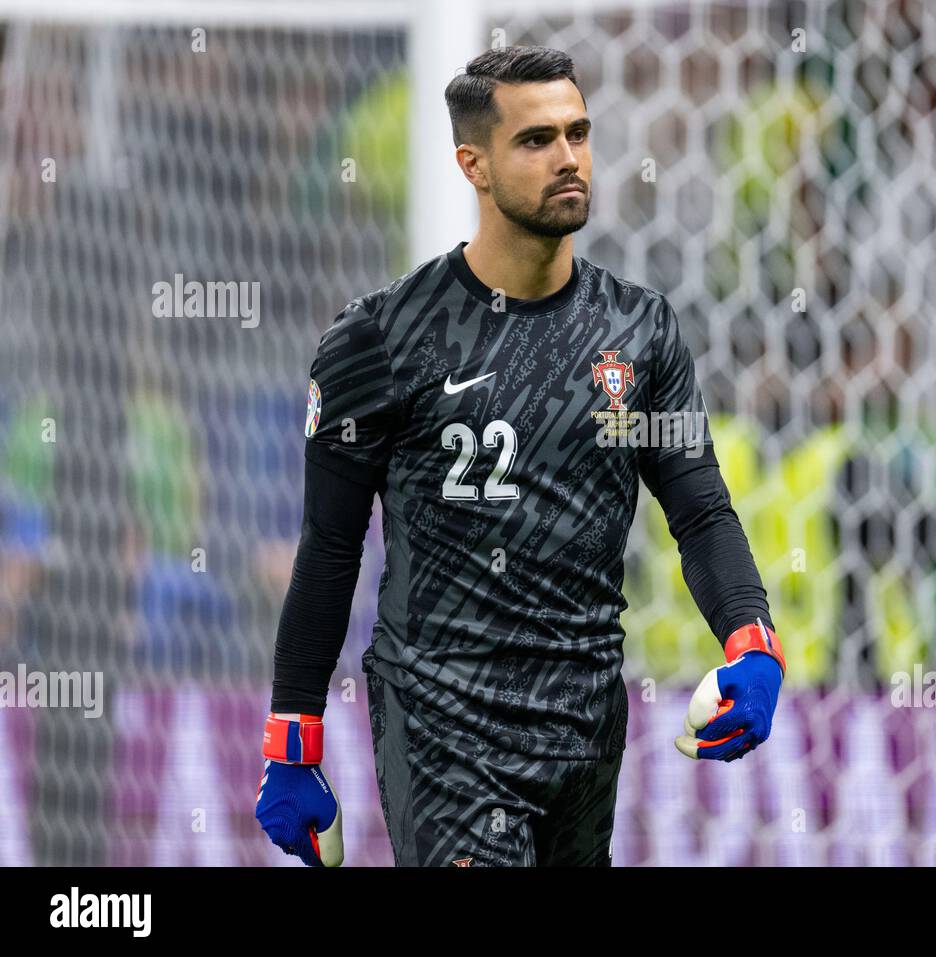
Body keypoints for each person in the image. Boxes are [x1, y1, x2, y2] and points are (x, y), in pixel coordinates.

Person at [254, 45, 786, 867]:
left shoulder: (640, 333)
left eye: (578, 133)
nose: (569, 157)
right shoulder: (379, 340)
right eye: (536, 141)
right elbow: (329, 547)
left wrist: (752, 643)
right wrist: (292, 733)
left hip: (584, 722)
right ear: (473, 164)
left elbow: (700, 507)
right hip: (443, 724)